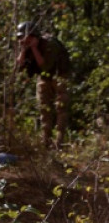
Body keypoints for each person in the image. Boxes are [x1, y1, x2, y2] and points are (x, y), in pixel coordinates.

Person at [15, 21, 72, 149]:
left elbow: (45, 66)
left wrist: (34, 48)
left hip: (59, 76)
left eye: (26, 37)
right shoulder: (26, 46)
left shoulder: (50, 44)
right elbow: (19, 66)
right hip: (44, 78)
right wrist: (23, 50)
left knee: (60, 108)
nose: (23, 40)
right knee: (43, 108)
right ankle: (46, 141)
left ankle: (59, 142)